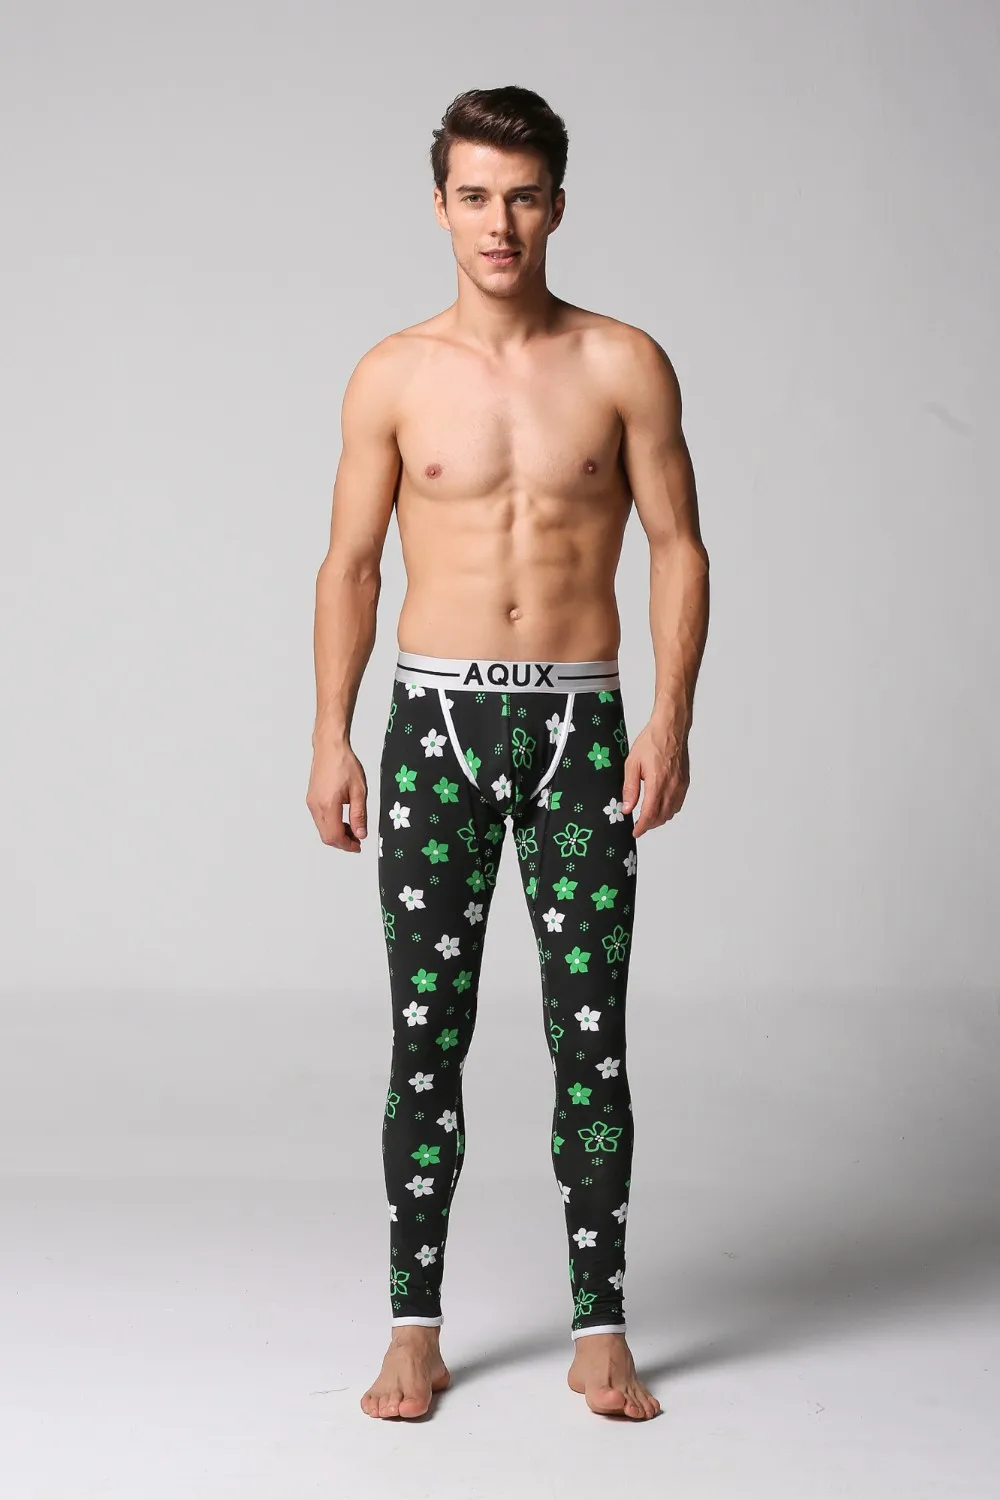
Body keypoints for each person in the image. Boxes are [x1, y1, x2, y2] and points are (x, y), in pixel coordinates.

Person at [306, 84, 710, 1423]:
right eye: (476, 196)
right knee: (426, 1037)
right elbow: (352, 565)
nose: (500, 223)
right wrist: (331, 735)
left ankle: (601, 1324)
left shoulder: (623, 363)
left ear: (558, 205)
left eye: (524, 197)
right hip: (434, 729)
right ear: (440, 206)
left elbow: (679, 548)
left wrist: (669, 719)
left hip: (582, 731)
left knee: (593, 1041)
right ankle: (413, 1329)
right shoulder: (393, 373)